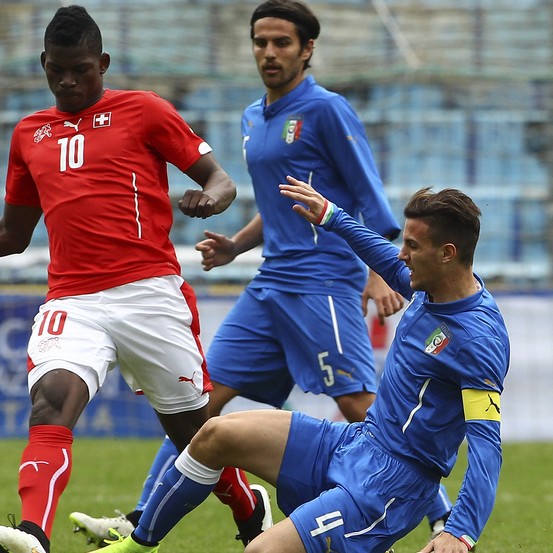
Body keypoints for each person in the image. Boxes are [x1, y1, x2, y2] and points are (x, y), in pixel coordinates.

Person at [0, 5, 268, 553]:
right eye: (57, 69)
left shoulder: (144, 111)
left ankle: (249, 505)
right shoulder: (29, 134)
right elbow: (13, 234)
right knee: (50, 401)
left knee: (194, 436)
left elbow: (221, 179)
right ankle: (33, 535)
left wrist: (211, 199)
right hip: (74, 299)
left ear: (103, 63)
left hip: (149, 293)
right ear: (43, 63)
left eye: (80, 69)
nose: (67, 80)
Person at [69, 0, 452, 545]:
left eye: (282, 43)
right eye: (260, 42)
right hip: (271, 283)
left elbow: (367, 195)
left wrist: (380, 271)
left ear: (307, 49)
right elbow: (280, 202)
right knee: (198, 405)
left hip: (322, 280)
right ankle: (139, 520)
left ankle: (444, 518)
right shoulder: (254, 116)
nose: (268, 53)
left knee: (360, 406)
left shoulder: (327, 110)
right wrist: (237, 245)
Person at [92, 178, 510, 553]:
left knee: (262, 552)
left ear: (447, 254)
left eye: (413, 247)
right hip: (355, 443)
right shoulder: (431, 286)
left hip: (391, 485)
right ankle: (137, 545)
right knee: (214, 434)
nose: (402, 256)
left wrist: (461, 531)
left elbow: (486, 447)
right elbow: (384, 256)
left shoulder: (477, 339)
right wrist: (332, 217)